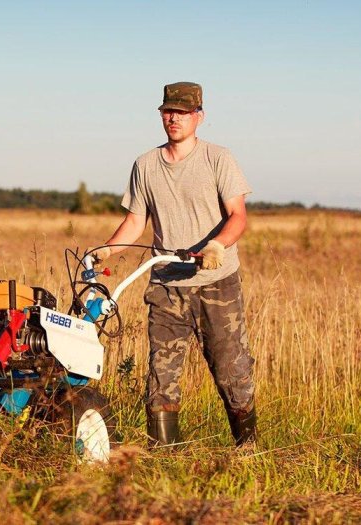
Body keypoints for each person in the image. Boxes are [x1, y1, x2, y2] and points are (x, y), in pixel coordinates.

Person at [90, 82, 256, 447]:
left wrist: (216, 245)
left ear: (199, 116)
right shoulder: (145, 165)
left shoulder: (218, 158)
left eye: (182, 112)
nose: (174, 118)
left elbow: (238, 216)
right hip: (166, 286)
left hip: (216, 281)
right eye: (168, 111)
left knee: (232, 370)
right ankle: (165, 457)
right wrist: (105, 251)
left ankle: (248, 448)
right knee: (161, 377)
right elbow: (135, 223)